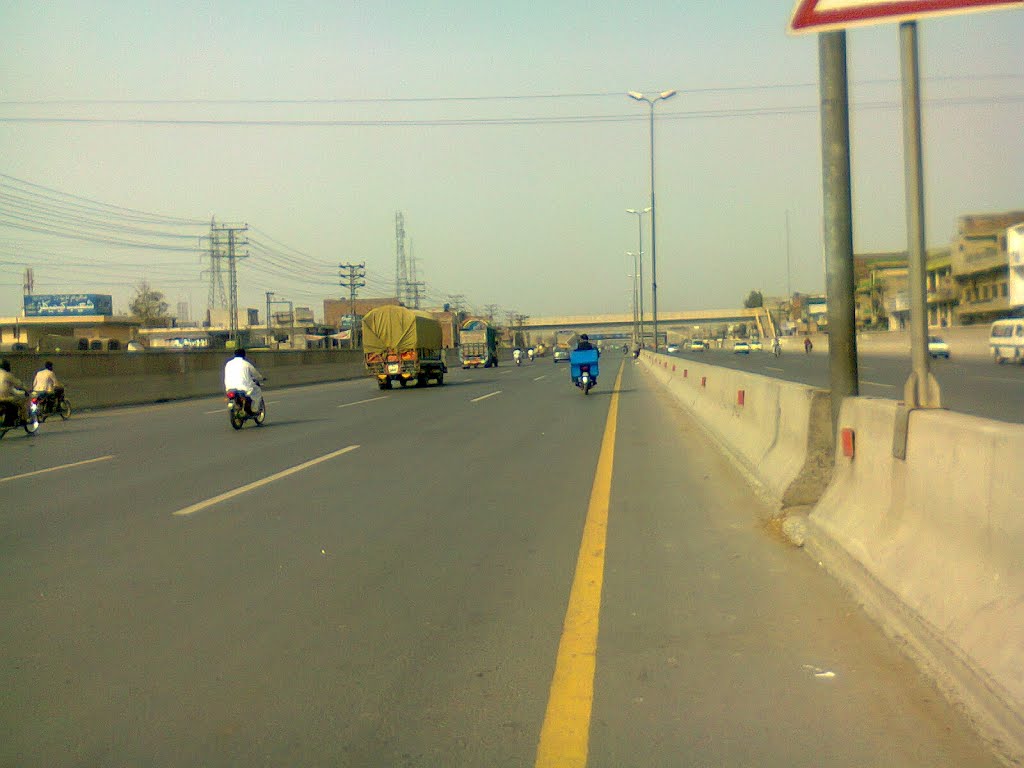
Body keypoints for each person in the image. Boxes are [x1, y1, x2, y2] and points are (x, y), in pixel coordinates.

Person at [224, 348, 265, 415]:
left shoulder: (228, 363)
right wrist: (261, 378)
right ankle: (255, 409)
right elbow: (256, 375)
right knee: (257, 391)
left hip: (229, 387)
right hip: (244, 387)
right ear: (244, 355)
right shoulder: (246, 364)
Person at [0, 359, 28, 426]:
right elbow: (19, 384)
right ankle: (22, 420)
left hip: (4, 396)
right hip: (4, 398)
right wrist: (26, 390)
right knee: (20, 402)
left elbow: (9, 388)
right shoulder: (7, 375)